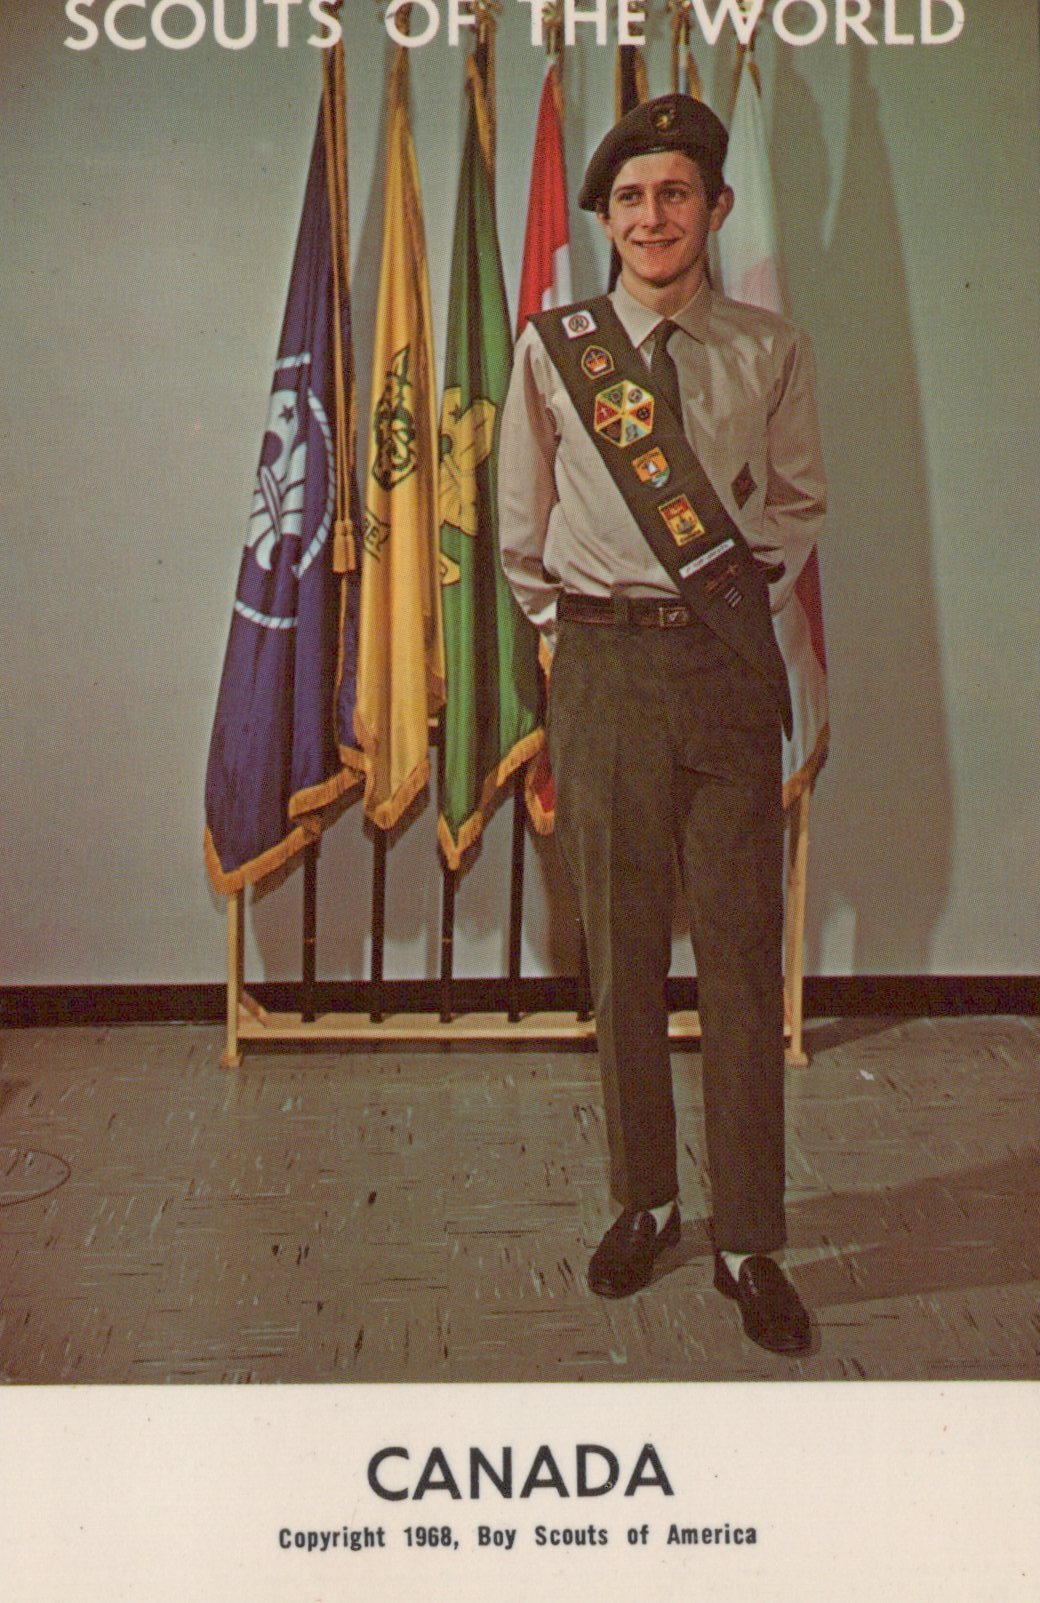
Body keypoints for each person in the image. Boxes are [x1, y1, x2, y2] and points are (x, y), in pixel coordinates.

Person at [497, 93, 826, 1355]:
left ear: (714, 211)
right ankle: (645, 1200)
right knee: (622, 953)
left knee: (740, 961)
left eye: (675, 193)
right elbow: (522, 526)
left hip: (723, 670)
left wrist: (726, 602)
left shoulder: (767, 350)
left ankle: (748, 1239)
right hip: (602, 671)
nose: (652, 216)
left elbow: (794, 507)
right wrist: (574, 630)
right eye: (630, 198)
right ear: (604, 219)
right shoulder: (555, 348)